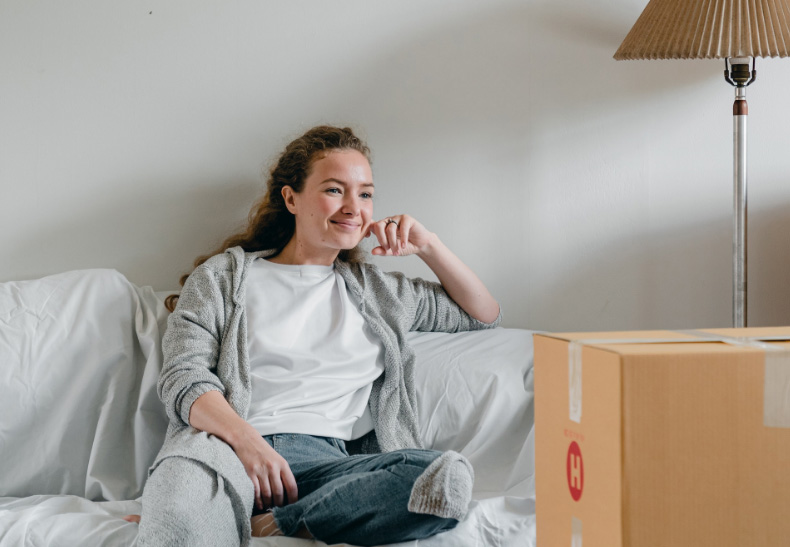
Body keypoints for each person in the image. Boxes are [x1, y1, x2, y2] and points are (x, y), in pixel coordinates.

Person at [127, 125, 501, 546]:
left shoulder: (380, 292)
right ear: (291, 199)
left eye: (364, 194)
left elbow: (482, 314)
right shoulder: (223, 277)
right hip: (227, 450)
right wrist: (248, 444)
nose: (353, 207)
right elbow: (184, 378)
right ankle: (203, 510)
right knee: (179, 508)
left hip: (333, 469)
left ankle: (282, 522)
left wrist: (428, 245)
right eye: (335, 190)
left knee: (444, 479)